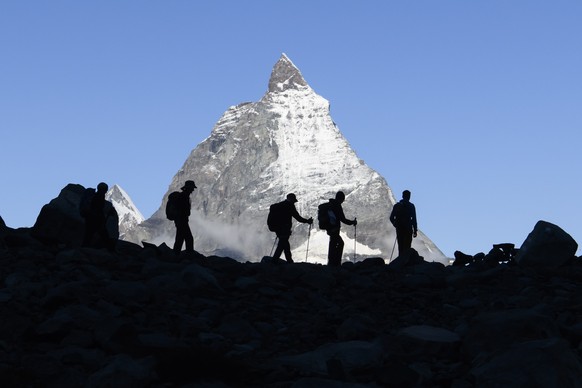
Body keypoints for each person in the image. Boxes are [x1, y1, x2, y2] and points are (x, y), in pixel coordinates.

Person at [271, 193, 313, 263]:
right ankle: (275, 261)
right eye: (294, 200)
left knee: (284, 244)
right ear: (291, 199)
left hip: (278, 228)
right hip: (284, 229)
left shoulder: (280, 205)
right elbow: (298, 218)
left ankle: (289, 261)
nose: (294, 202)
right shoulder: (289, 206)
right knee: (282, 245)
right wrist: (307, 221)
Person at [326, 191, 357, 266]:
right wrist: (352, 222)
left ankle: (331, 262)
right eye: (343, 199)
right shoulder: (337, 205)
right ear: (341, 198)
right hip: (335, 229)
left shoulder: (330, 204)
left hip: (330, 228)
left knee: (333, 243)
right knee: (340, 243)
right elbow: (343, 219)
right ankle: (336, 262)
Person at [82, 182, 116, 250]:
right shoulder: (100, 197)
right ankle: (110, 249)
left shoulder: (95, 196)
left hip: (90, 218)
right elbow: (98, 209)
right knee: (102, 234)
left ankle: (84, 247)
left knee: (89, 234)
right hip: (96, 219)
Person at [389, 189, 418, 256]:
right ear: (409, 196)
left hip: (399, 228)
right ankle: (406, 262)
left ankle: (400, 261)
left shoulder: (397, 206)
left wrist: (395, 224)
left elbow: (391, 217)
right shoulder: (411, 206)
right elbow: (414, 219)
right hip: (408, 228)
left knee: (401, 246)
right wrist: (415, 230)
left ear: (402, 196)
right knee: (407, 246)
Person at [173, 180, 197, 254]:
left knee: (180, 239)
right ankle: (189, 256)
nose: (193, 190)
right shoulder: (184, 197)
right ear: (188, 188)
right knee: (188, 238)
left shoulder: (183, 196)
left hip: (180, 221)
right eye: (192, 188)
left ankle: (175, 255)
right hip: (182, 221)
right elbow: (183, 210)